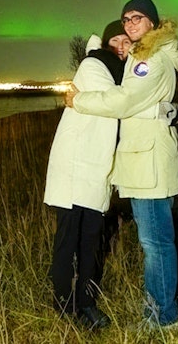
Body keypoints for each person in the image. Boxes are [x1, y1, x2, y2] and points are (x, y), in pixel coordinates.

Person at [65, 0, 178, 329]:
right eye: (126, 19)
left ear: (152, 23)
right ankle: (159, 310)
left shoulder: (150, 57)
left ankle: (162, 318)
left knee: (156, 243)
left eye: (138, 18)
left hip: (148, 163)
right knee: (156, 241)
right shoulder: (145, 53)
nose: (131, 24)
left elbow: (125, 100)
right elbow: (145, 102)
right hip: (145, 160)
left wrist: (80, 101)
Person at [43, 20, 132, 330]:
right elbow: (118, 102)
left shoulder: (123, 72)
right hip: (74, 166)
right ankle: (64, 304)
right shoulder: (93, 64)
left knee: (91, 242)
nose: (122, 46)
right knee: (68, 240)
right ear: (107, 43)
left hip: (95, 171)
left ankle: (87, 303)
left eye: (127, 41)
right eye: (116, 40)